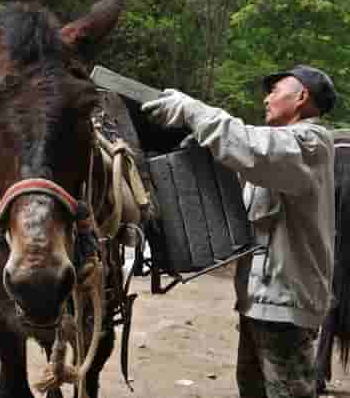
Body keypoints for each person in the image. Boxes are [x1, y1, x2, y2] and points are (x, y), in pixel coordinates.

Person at [142, 65, 336, 398]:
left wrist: (192, 110)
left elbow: (252, 147)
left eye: (275, 91)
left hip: (286, 307)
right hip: (259, 304)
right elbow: (243, 159)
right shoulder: (277, 154)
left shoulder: (311, 142)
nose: (266, 99)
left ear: (302, 96)